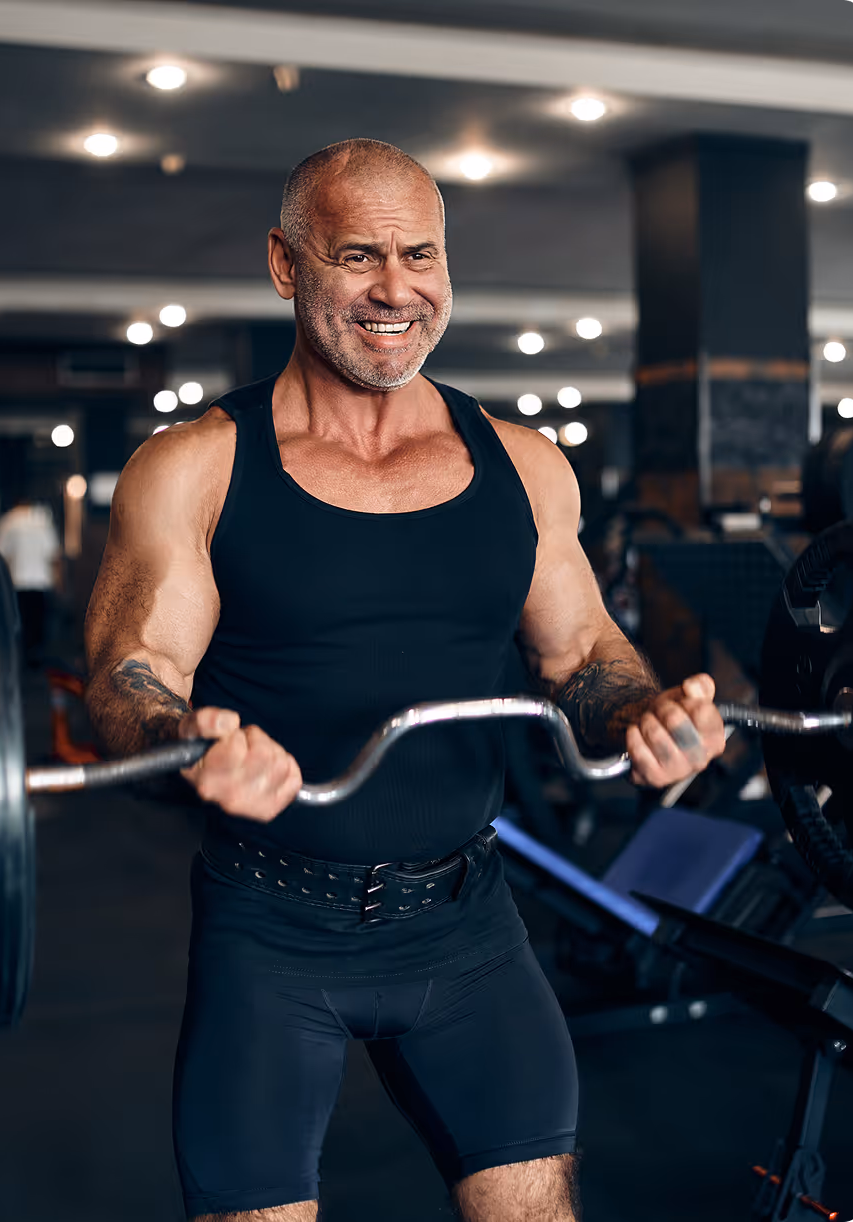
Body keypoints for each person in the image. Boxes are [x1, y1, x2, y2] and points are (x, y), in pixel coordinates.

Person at [84, 139, 726, 1222]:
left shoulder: (523, 464)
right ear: (287, 267)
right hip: (271, 932)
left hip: (469, 927)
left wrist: (645, 712)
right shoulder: (194, 465)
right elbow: (125, 677)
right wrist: (190, 740)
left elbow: (582, 658)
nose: (396, 289)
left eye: (420, 254)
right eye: (357, 256)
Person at [0, 498, 61, 667]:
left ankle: (22, 657)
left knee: (20, 621)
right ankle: (37, 656)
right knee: (38, 621)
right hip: (41, 580)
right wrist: (58, 581)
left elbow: (0, 556)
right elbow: (54, 555)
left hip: (17, 580)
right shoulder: (42, 521)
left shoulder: (7, 522)